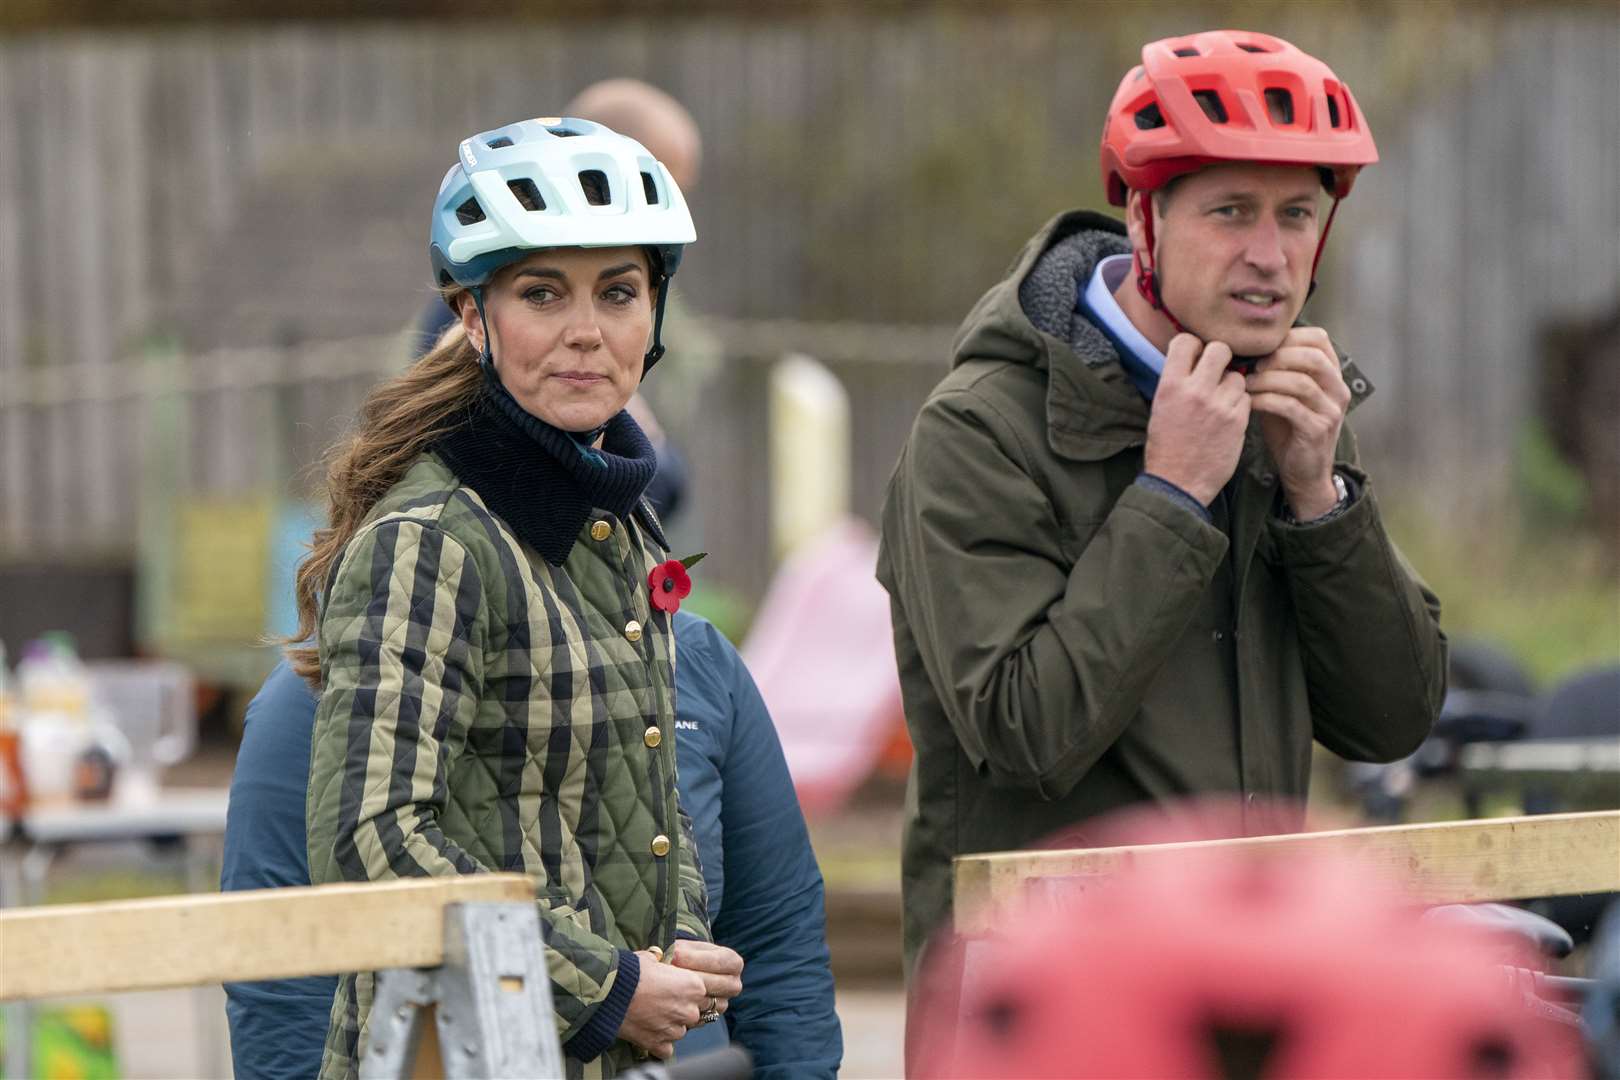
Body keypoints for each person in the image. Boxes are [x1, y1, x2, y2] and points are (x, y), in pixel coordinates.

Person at [876, 29, 1448, 988]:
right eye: (1231, 212)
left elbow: (1391, 721)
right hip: (1043, 1002)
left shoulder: (1293, 413)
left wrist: (1320, 498)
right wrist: (1172, 495)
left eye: (1297, 215)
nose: (1270, 257)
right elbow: (1026, 734)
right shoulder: (978, 431)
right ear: (1144, 222)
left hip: (1251, 981)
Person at [289, 116, 742, 1078]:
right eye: (543, 293)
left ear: (655, 317)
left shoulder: (612, 517)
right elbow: (366, 842)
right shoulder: (430, 542)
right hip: (454, 1054)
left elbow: (633, 783)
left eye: (619, 292)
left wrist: (675, 937)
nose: (586, 330)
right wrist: (608, 986)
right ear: (471, 315)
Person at [222, 611, 842, 1079]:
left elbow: (777, 936)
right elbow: (280, 976)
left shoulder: (694, 659)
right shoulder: (339, 684)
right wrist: (608, 990)